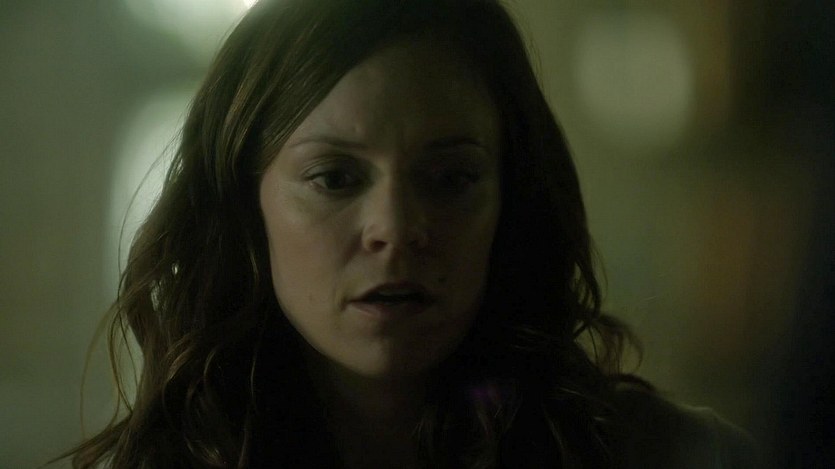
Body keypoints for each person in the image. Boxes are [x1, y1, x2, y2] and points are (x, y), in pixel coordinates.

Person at [61, 0, 760, 467]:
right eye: (336, 178)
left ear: (510, 199)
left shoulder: (676, 457)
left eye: (450, 179)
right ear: (246, 205)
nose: (395, 230)